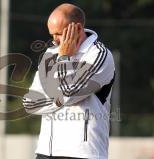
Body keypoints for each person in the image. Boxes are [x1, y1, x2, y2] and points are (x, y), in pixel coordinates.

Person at [23, 3, 115, 159]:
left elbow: (68, 93)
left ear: (77, 28)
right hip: (45, 152)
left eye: (58, 34)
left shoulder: (99, 55)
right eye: (52, 34)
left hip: (83, 153)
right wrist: (60, 99)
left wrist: (64, 58)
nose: (54, 41)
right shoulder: (51, 53)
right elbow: (30, 104)